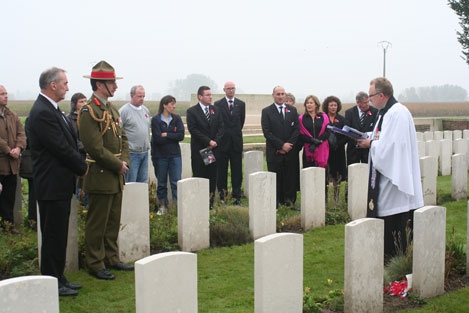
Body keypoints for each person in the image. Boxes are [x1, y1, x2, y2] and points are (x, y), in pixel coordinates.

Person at [27, 67, 88, 296]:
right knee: (52, 235)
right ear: (53, 85)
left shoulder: (54, 110)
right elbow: (60, 148)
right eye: (65, 83)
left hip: (60, 184)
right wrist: (81, 167)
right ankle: (52, 280)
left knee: (59, 234)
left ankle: (59, 276)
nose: (68, 87)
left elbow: (68, 143)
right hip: (51, 185)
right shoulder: (42, 112)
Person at [357, 77, 423, 259]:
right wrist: (368, 137)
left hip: (394, 180)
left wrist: (371, 143)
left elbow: (393, 147)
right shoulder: (384, 113)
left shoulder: (397, 113)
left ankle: (394, 256)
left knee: (394, 220)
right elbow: (383, 138)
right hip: (385, 176)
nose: (369, 100)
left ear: (381, 94)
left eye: (370, 96)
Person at [79, 60, 133, 280]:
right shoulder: (88, 110)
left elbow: (123, 138)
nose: (116, 87)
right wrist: (118, 164)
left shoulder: (110, 108)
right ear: (100, 84)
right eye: (112, 83)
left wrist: (125, 161)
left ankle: (111, 257)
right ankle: (94, 262)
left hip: (116, 174)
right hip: (101, 175)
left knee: (112, 220)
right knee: (97, 222)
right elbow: (95, 147)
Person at [186, 86, 224, 209]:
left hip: (213, 150)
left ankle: (210, 203)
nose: (210, 97)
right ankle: (199, 203)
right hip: (200, 150)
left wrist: (215, 142)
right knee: (200, 175)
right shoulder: (192, 111)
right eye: (207, 95)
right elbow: (194, 130)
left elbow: (221, 128)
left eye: (211, 95)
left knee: (212, 177)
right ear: (200, 96)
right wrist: (208, 141)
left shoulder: (216, 110)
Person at [261, 86, 299, 208]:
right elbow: (267, 132)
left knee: (289, 177)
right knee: (276, 178)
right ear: (273, 95)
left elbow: (296, 130)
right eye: (278, 94)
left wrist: (288, 145)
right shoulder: (266, 111)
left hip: (290, 151)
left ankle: (289, 201)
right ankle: (276, 202)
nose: (281, 96)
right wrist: (281, 145)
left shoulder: (292, 110)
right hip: (275, 151)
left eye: (283, 94)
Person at [151, 95, 184, 215]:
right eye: (171, 104)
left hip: (175, 155)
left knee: (176, 182)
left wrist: (167, 134)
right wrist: (172, 135)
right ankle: (163, 206)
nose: (174, 106)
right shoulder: (156, 120)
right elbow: (157, 138)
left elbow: (181, 136)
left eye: (174, 104)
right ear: (164, 105)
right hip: (160, 156)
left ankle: (177, 207)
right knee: (162, 183)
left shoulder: (177, 119)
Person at [0, 85, 26, 235]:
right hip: (2, 160)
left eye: (6, 93)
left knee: (9, 196)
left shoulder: (12, 115)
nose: (6, 96)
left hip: (12, 164)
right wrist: (8, 149)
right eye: (2, 94)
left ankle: (8, 225)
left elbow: (21, 133)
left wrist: (18, 147)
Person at [214, 81, 245, 205]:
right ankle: (223, 196)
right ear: (224, 90)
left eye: (233, 88)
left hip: (236, 143)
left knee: (237, 171)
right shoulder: (218, 104)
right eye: (228, 88)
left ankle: (237, 196)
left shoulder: (241, 104)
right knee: (221, 171)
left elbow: (241, 122)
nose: (231, 90)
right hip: (223, 144)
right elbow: (218, 123)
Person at [119, 85, 151, 183]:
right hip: (132, 154)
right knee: (131, 182)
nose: (142, 99)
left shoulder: (146, 110)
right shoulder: (124, 111)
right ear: (132, 95)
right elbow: (119, 131)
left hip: (144, 152)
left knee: (142, 182)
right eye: (139, 96)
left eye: (143, 96)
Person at [344, 91, 378, 165]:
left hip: (368, 149)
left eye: (368, 102)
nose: (367, 104)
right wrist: (357, 141)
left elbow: (376, 129)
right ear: (358, 103)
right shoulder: (349, 113)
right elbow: (347, 129)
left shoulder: (375, 112)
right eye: (365, 103)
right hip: (353, 149)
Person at [66, 92, 88, 206]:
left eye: (85, 101)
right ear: (75, 104)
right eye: (81, 102)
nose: (84, 104)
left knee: (88, 185)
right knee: (79, 185)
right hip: (77, 156)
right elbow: (73, 139)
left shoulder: (89, 117)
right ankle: (79, 207)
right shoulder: (69, 120)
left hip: (89, 156)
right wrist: (86, 148)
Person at [298, 95, 331, 168]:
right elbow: (301, 134)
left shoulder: (324, 116)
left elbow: (327, 131)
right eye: (307, 103)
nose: (309, 105)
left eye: (311, 103)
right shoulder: (301, 118)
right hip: (309, 149)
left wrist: (317, 142)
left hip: (322, 148)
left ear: (316, 105)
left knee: (322, 173)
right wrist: (311, 140)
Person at [322, 96, 347, 186]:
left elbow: (346, 135)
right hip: (326, 150)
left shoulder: (342, 119)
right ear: (327, 106)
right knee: (326, 175)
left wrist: (338, 144)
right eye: (331, 105)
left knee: (338, 176)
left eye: (335, 105)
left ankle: (336, 197)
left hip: (338, 151)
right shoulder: (322, 118)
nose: (333, 107)